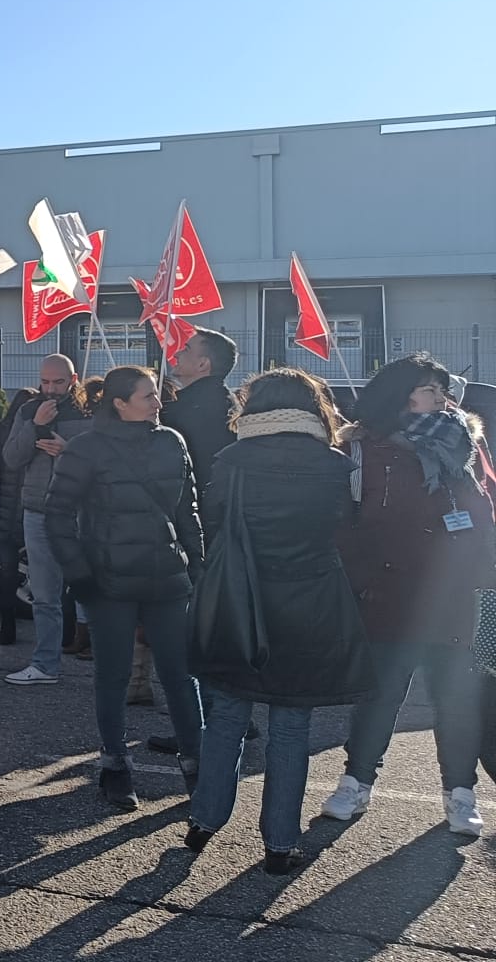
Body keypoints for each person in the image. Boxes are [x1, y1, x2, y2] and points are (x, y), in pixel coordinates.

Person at [185, 369, 372, 875]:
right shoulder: (333, 465)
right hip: (310, 601)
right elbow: (345, 527)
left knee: (226, 718)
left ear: (254, 408)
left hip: (239, 599)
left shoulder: (231, 460)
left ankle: (204, 820)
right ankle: (281, 843)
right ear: (314, 409)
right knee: (292, 726)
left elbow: (214, 525)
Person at [322, 354, 492, 836]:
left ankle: (460, 793)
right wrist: (364, 579)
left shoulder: (463, 443)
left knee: (457, 698)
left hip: (455, 594)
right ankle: (356, 783)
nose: (439, 397)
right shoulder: (362, 447)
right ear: (399, 393)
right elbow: (346, 525)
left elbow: (484, 514)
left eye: (441, 388)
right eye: (426, 388)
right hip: (389, 590)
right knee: (380, 698)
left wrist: (480, 572)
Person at [43, 364, 205, 810]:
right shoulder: (86, 449)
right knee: (112, 677)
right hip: (108, 582)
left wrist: (198, 567)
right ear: (119, 403)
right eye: (148, 395)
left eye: (156, 394)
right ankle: (115, 764)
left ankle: (195, 763)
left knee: (180, 674)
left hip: (168, 578)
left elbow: (188, 510)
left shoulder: (172, 441)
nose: (158, 401)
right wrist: (78, 573)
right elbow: (56, 514)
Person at [1, 355, 96, 686]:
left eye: (58, 382)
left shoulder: (91, 412)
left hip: (84, 511)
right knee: (44, 595)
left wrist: (68, 451)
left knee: (93, 590)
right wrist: (33, 424)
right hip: (39, 510)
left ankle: (108, 663)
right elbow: (11, 457)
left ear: (74, 379)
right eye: (45, 382)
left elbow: (108, 463)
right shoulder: (28, 410)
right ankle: (45, 664)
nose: (51, 389)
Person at [165, 330, 239, 499]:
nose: (176, 354)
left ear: (202, 364)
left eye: (186, 349)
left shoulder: (189, 408)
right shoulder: (226, 402)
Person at [0, 386, 38, 645]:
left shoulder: (1, 432)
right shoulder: (34, 432)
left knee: (8, 574)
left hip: (6, 514)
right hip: (23, 511)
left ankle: (7, 628)